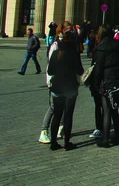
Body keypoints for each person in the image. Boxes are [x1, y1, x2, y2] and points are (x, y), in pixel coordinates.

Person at [47, 21, 84, 150]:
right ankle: (67, 143)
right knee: (68, 115)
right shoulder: (74, 53)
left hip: (57, 87)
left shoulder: (56, 52)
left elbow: (50, 71)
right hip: (70, 88)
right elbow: (80, 71)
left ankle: (53, 143)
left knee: (57, 115)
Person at [94, 24, 119, 147]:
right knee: (115, 110)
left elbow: (98, 68)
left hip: (106, 81)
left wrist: (96, 84)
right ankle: (117, 137)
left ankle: (105, 140)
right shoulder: (115, 45)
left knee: (106, 111)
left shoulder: (101, 47)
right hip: (117, 80)